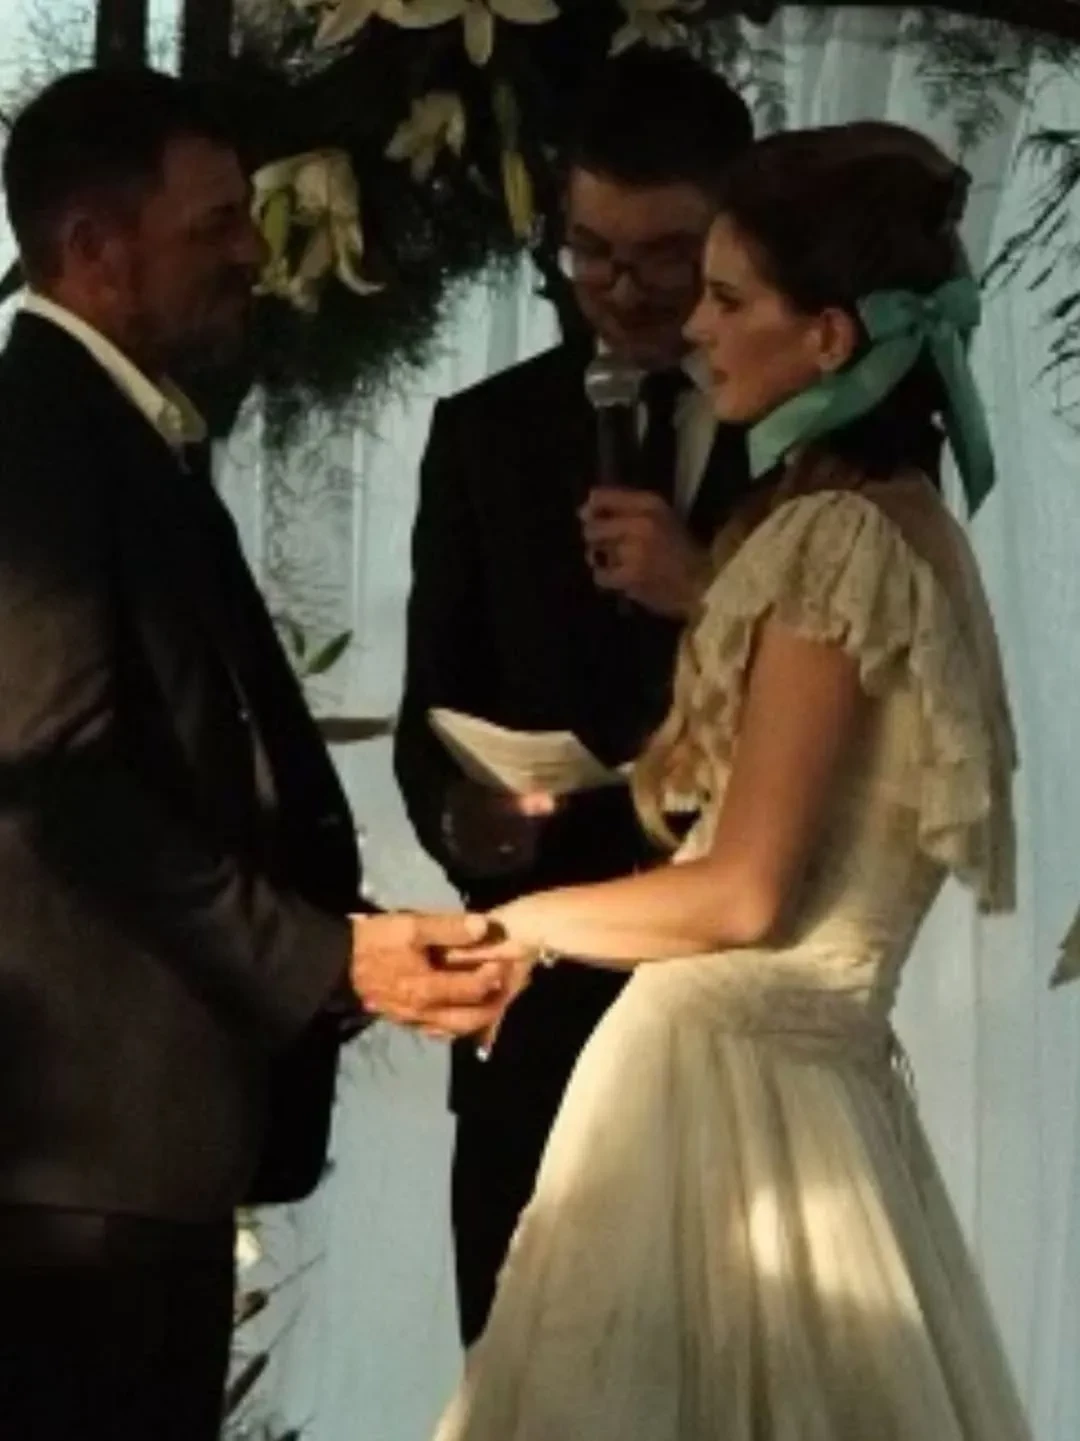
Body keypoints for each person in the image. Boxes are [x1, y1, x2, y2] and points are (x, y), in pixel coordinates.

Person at [427, 121, 1033, 1439]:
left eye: (728, 297)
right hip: (818, 1092)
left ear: (828, 337)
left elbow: (745, 891)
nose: (696, 329)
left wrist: (521, 926)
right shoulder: (911, 526)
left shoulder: (832, 540)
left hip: (728, 1091)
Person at [0, 69, 507, 1441]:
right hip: (78, 1175)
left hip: (131, 1163)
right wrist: (325, 957)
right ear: (96, 246)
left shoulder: (122, 430)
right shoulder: (37, 438)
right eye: (214, 224)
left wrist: (351, 941)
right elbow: (59, 786)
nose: (251, 252)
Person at [394, 47, 754, 1345]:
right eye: (591, 251)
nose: (623, 290)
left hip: (734, 1004)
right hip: (537, 1017)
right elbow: (432, 713)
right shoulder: (486, 435)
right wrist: (469, 821)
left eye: (665, 258)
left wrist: (705, 589)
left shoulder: (809, 433)